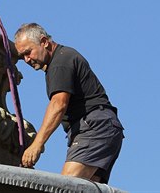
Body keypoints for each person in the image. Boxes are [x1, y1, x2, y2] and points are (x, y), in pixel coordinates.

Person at [14, 23, 124, 183]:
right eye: (22, 56)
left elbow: (58, 104)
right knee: (87, 187)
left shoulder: (60, 62)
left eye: (28, 52)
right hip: (105, 127)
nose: (26, 59)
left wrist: (36, 144)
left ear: (44, 42)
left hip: (94, 127)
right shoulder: (63, 57)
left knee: (65, 187)